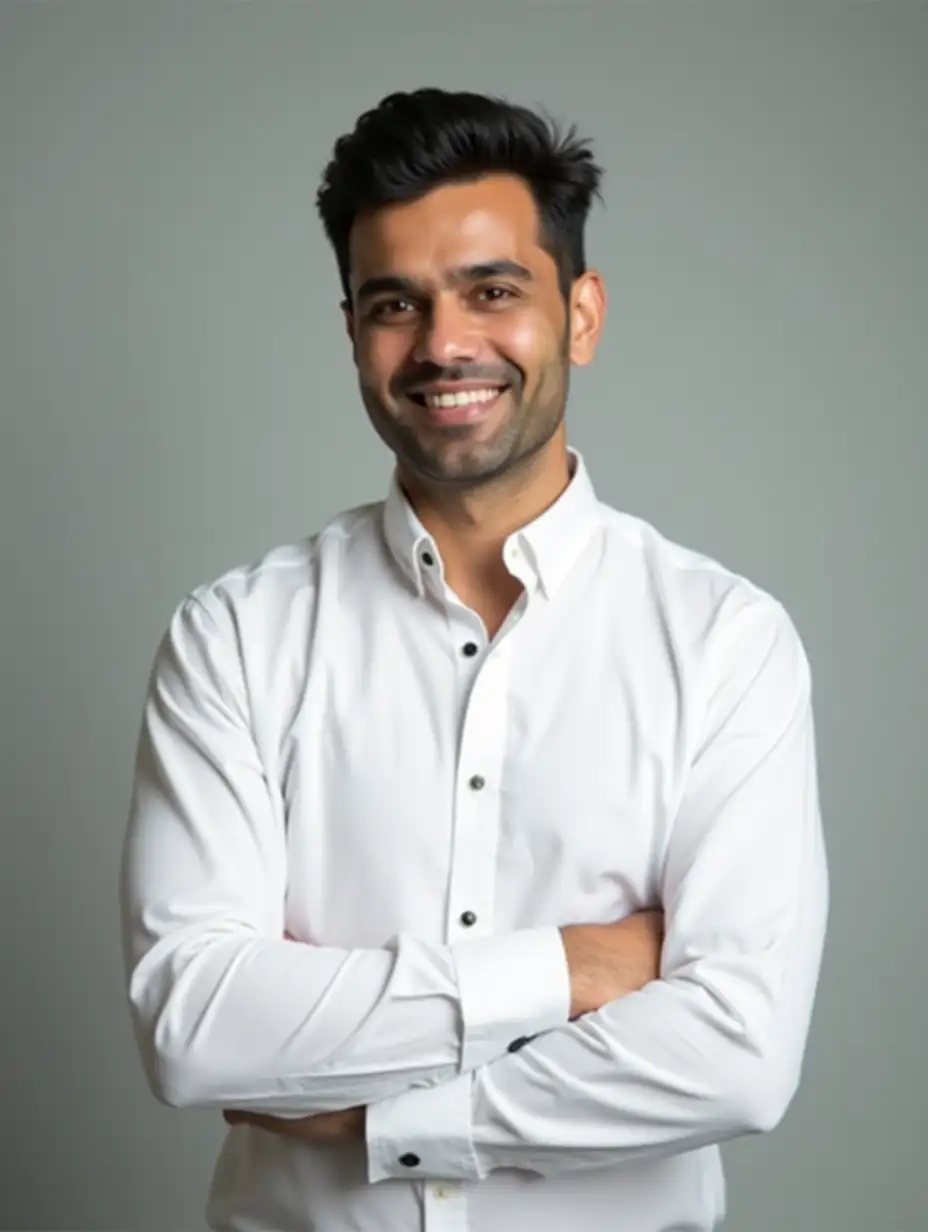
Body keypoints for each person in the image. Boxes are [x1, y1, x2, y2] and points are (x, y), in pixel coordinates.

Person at [119, 88, 828, 1232]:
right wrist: (571, 969)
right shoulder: (235, 637)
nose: (444, 344)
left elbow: (737, 1055)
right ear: (352, 330)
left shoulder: (725, 642)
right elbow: (196, 1031)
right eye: (396, 302)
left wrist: (382, 1121)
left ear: (581, 314)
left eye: (492, 291)